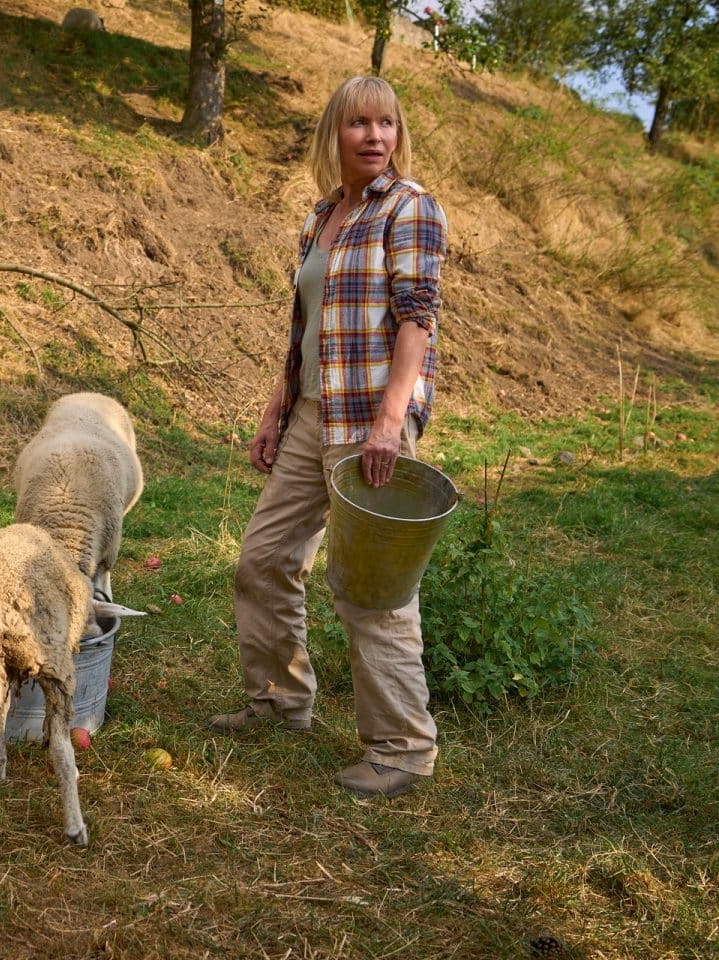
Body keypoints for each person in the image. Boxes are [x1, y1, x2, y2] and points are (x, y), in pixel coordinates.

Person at [208, 76, 448, 799]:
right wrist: (275, 411)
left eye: (387, 123)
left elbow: (418, 319)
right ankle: (280, 701)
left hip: (370, 420)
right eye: (358, 124)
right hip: (313, 413)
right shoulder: (322, 216)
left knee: (372, 590)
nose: (375, 136)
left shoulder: (409, 207)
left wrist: (390, 422)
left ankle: (403, 749)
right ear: (333, 135)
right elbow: (307, 331)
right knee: (264, 558)